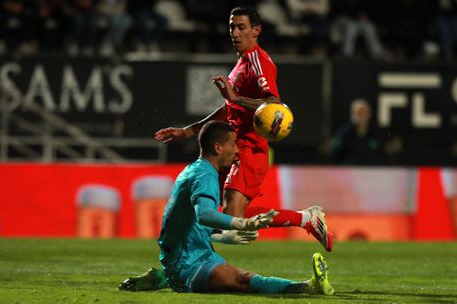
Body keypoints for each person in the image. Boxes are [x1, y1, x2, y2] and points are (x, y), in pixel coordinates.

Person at [153, 5, 332, 250]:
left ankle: (201, 257)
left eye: (241, 27)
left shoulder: (259, 60)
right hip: (232, 146)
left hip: (250, 146)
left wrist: (236, 98)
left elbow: (274, 103)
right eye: (232, 27)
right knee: (231, 218)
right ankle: (305, 218)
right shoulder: (240, 64)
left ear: (256, 30)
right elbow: (229, 109)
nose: (235, 33)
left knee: (229, 225)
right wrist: (187, 131)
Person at [121, 121, 335, 295]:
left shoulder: (199, 170)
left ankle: (161, 277)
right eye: (233, 143)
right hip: (187, 263)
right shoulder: (204, 175)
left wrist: (223, 237)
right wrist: (243, 223)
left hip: (197, 253)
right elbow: (204, 215)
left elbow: (190, 222)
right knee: (242, 281)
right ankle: (309, 287)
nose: (236, 149)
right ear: (217, 147)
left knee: (239, 279)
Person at [330, 99, 385, 165]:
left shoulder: (377, 132)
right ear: (352, 114)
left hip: (372, 170)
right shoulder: (343, 132)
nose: (361, 116)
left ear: (369, 114)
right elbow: (336, 153)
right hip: (348, 170)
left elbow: (381, 154)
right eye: (358, 113)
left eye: (363, 112)